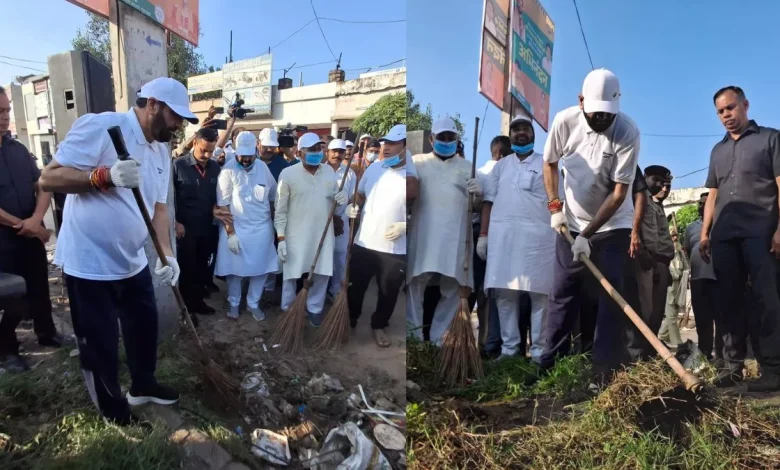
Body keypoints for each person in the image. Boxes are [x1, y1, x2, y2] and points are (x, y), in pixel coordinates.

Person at [39, 77, 193, 425]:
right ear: (153, 104)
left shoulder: (161, 151)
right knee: (100, 345)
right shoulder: (104, 127)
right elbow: (48, 178)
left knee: (144, 328)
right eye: (174, 116)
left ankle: (143, 385)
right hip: (89, 265)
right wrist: (103, 177)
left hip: (132, 262)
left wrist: (167, 254)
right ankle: (114, 412)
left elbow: (159, 210)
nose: (178, 125)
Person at [539, 69, 639, 383]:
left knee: (609, 296)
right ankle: (548, 365)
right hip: (569, 223)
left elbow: (619, 193)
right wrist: (555, 205)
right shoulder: (564, 122)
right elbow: (550, 163)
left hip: (612, 226)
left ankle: (603, 371)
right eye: (595, 114)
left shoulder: (627, 132)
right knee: (562, 293)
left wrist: (588, 234)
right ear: (581, 101)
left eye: (607, 116)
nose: (601, 121)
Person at [700, 85, 780, 391]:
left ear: (745, 105)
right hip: (724, 236)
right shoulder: (717, 150)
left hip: (760, 232)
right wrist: (705, 233)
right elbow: (713, 195)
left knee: (766, 299)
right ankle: (732, 366)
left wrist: (779, 229)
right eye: (720, 112)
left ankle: (772, 368)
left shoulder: (770, 139)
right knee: (727, 301)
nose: (726, 116)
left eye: (730, 108)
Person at [478, 115, 556, 362]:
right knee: (504, 294)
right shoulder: (501, 167)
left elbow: (557, 201)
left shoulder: (547, 164)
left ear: (533, 135)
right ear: (510, 137)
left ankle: (539, 353)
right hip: (504, 239)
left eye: (525, 129)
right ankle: (510, 351)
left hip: (539, 240)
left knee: (540, 296)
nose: (520, 133)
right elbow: (488, 201)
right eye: (515, 130)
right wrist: (483, 235)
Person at [0, 87, 62, 373]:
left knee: (39, 288)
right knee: (11, 297)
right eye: (0, 111)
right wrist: (25, 226)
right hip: (3, 242)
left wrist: (37, 220)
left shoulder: (19, 149)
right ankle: (9, 350)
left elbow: (42, 185)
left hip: (30, 234)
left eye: (7, 111)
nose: (5, 117)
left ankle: (47, 333)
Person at [407, 118, 482, 345]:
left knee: (453, 287)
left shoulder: (468, 166)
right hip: (424, 235)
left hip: (456, 237)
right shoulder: (417, 162)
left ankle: (439, 341)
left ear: (457, 140)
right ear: (432, 139)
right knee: (415, 283)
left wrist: (478, 194)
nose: (446, 141)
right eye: (442, 137)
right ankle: (414, 338)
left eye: (451, 137)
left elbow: (478, 207)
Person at [275, 133, 348, 326]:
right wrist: (281, 238)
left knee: (322, 273)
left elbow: (335, 203)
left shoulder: (329, 173)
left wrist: (343, 198)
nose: (317, 153)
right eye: (312, 150)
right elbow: (280, 211)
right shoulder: (288, 174)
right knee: (291, 274)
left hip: (323, 233)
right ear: (299, 153)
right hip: (296, 235)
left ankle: (315, 308)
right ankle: (288, 309)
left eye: (319, 149)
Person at [345, 125, 408, 347]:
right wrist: (353, 205)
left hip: (394, 247)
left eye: (392, 144)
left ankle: (379, 325)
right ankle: (350, 319)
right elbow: (360, 195)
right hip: (365, 241)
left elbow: (421, 206)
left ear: (405, 147)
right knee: (355, 286)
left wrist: (406, 224)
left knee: (388, 292)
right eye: (385, 143)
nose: (386, 148)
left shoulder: (411, 174)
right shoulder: (374, 169)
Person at [213, 132, 279, 320]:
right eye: (242, 155)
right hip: (237, 228)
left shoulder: (262, 169)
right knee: (235, 270)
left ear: (255, 150)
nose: (246, 159)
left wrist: (276, 227)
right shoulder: (228, 170)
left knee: (261, 269)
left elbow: (273, 197)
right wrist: (230, 233)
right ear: (236, 152)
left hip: (261, 229)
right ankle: (234, 302)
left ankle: (253, 303)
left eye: (249, 155)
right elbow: (223, 204)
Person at [625, 165, 675, 361]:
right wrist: (644, 256)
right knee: (644, 312)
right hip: (646, 263)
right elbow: (634, 231)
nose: (661, 185)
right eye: (656, 180)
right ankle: (638, 356)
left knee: (656, 314)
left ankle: (649, 353)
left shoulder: (656, 204)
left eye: (664, 182)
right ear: (645, 177)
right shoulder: (638, 199)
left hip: (661, 264)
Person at [172, 127, 221, 316]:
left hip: (207, 227)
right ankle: (186, 309)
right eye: (204, 150)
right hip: (185, 229)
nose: (207, 155)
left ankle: (198, 302)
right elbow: (168, 198)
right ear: (195, 143)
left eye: (211, 150)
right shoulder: (178, 166)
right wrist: (175, 221)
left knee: (202, 266)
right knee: (187, 268)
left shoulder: (215, 168)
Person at [476, 135, 513, 358]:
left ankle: (489, 344)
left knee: (494, 293)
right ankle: (488, 344)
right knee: (486, 293)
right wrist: (483, 235)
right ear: (500, 153)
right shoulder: (487, 172)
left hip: (501, 237)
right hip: (485, 236)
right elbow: (486, 204)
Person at [684, 192, 722, 361]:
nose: (701, 206)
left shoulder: (721, 226)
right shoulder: (691, 228)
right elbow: (686, 249)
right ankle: (705, 353)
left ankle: (723, 354)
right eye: (700, 203)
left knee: (722, 318)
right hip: (698, 280)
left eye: (706, 203)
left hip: (718, 278)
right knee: (702, 318)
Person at [325, 139, 357, 301]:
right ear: (327, 152)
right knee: (322, 257)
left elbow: (352, 197)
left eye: (341, 152)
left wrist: (350, 209)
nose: (337, 155)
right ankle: (320, 290)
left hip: (342, 221)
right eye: (334, 151)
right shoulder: (320, 170)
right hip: (322, 220)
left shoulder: (350, 173)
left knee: (340, 256)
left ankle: (335, 289)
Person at [658, 227, 687, 347]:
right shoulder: (666, 252)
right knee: (671, 316)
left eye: (675, 235)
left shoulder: (679, 252)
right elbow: (669, 271)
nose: (675, 238)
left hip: (679, 287)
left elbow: (685, 268)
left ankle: (662, 336)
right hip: (670, 287)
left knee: (673, 314)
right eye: (672, 236)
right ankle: (678, 344)